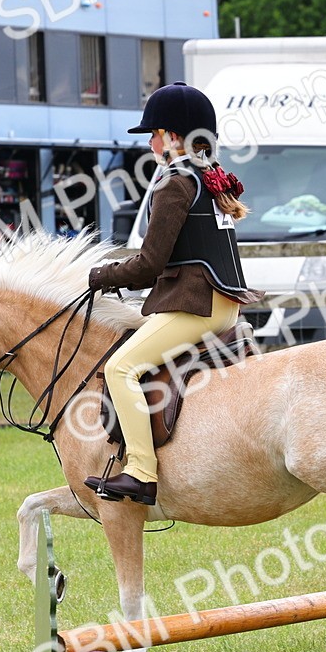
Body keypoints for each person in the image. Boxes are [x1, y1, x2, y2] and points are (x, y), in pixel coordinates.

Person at [83, 82, 264, 506]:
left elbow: (150, 264)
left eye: (154, 133)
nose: (149, 142)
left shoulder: (175, 184)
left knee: (120, 368)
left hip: (195, 305)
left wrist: (101, 276)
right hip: (224, 305)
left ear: (174, 136)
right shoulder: (209, 179)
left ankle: (141, 472)